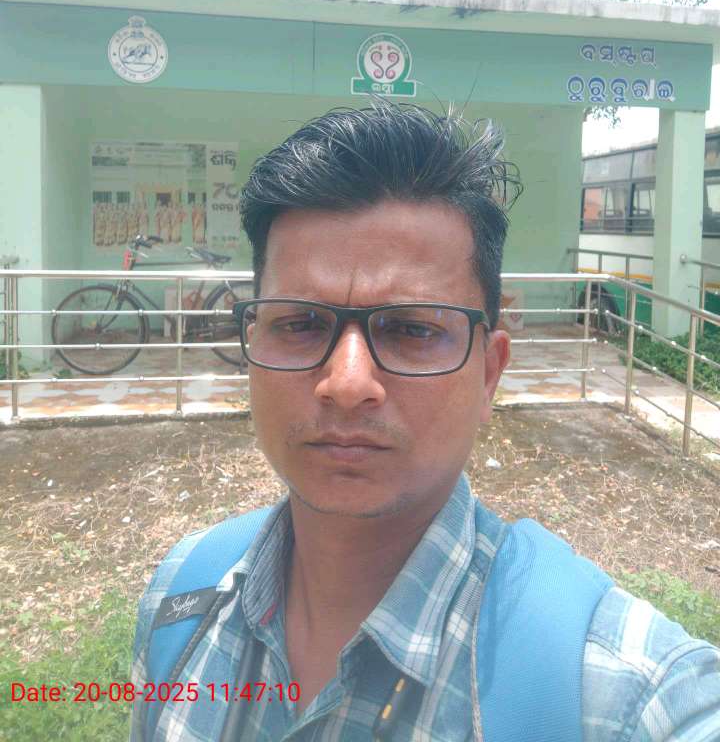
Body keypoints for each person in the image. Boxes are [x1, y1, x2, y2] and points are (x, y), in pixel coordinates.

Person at [130, 101, 720, 741]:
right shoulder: (181, 601)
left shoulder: (623, 695)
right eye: (299, 324)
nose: (346, 384)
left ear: (488, 373)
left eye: (412, 330)